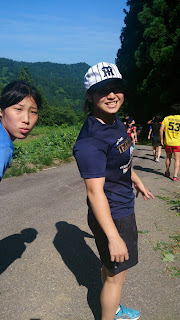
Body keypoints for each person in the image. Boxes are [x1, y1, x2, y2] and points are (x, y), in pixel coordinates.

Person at [73, 62, 154, 320]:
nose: (111, 95)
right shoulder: (90, 142)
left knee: (110, 270)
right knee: (115, 278)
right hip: (114, 215)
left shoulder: (114, 121)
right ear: (90, 95)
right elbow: (95, 193)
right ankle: (112, 315)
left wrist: (135, 178)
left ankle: (115, 309)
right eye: (102, 90)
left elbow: (120, 160)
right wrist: (113, 236)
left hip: (120, 208)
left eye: (116, 88)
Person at [0, 80, 42, 181]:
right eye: (18, 109)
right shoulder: (3, 147)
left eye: (33, 112)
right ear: (1, 110)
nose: (26, 120)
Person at [160, 104, 180, 181]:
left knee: (168, 157)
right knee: (177, 159)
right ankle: (175, 176)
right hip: (178, 143)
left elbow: (161, 130)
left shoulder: (166, 118)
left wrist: (162, 139)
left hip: (168, 142)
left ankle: (167, 171)